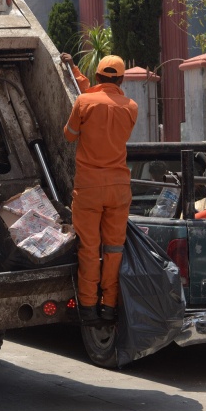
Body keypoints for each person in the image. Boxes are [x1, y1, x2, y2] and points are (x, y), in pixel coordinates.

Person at [63, 55, 138, 325]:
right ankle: (109, 305)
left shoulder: (84, 103)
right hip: (119, 188)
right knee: (114, 248)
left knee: (89, 248)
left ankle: (87, 306)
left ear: (97, 77)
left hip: (90, 188)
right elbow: (104, 98)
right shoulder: (131, 107)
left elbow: (70, 134)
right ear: (122, 79)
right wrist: (75, 71)